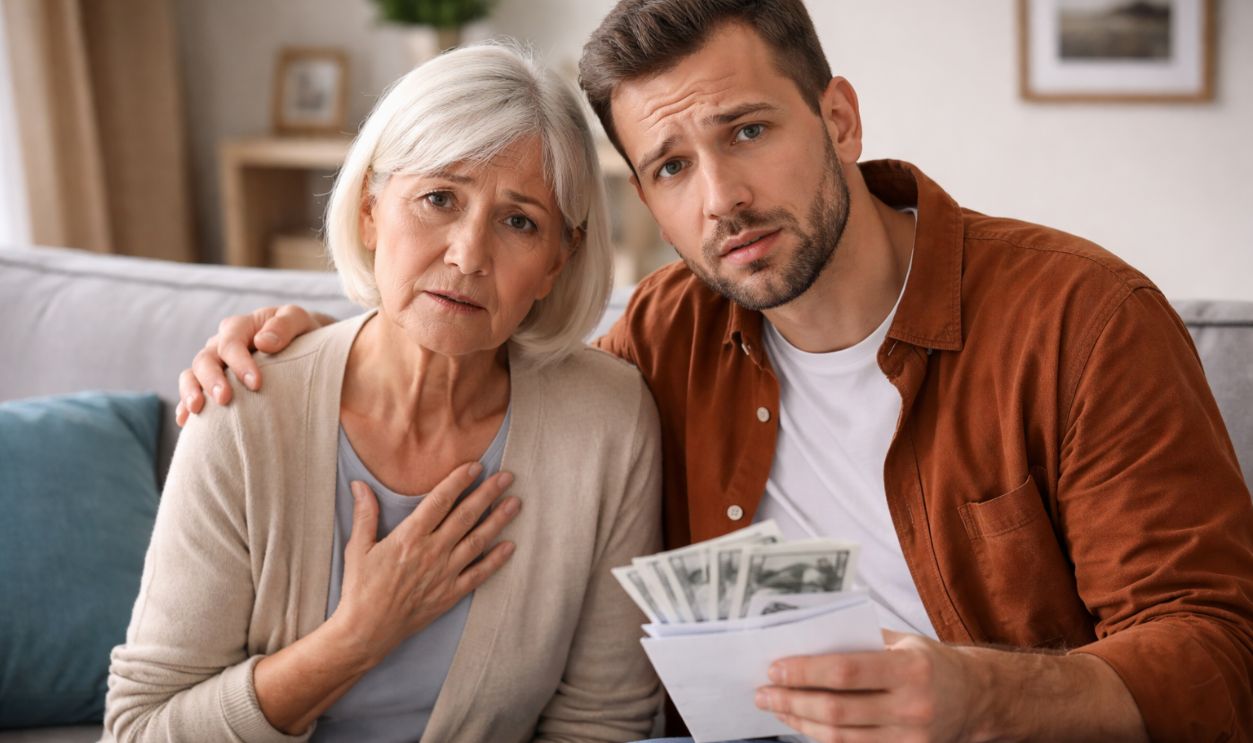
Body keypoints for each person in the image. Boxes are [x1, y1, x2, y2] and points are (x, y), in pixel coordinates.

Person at [176, 1, 1253, 741]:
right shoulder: (663, 336)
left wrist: (981, 697)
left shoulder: (1080, 321)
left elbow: (1220, 651)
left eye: (746, 131)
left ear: (837, 118)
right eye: (670, 166)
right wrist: (310, 341)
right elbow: (482, 344)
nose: (718, 199)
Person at [105, 43, 665, 743]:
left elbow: (600, 723)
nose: (467, 254)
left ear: (557, 260)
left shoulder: (607, 423)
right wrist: (358, 636)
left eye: (518, 221)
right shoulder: (244, 408)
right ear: (371, 210)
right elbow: (141, 729)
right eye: (439, 199)